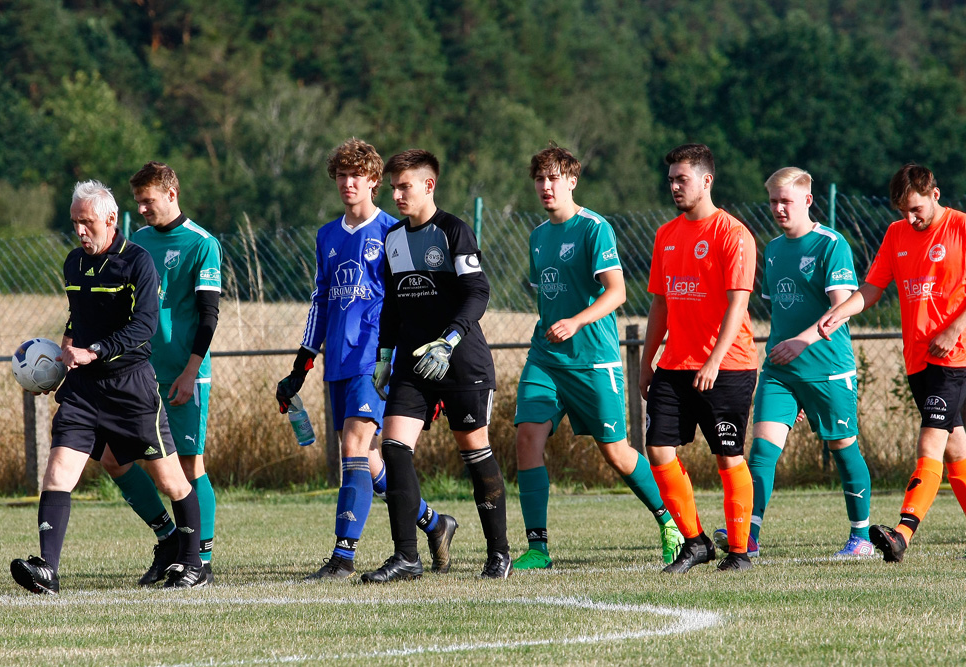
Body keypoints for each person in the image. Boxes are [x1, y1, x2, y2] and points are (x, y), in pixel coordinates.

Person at [10, 180, 207, 593]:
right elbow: (76, 319)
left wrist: (94, 350)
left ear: (111, 220)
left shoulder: (137, 262)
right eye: (75, 223)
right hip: (83, 389)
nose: (81, 230)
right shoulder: (72, 264)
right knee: (59, 471)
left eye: (88, 222)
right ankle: (47, 569)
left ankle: (192, 562)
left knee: (171, 480)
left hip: (130, 388)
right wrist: (58, 362)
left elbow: (144, 327)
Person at [275, 138, 457, 580]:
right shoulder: (327, 235)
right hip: (337, 359)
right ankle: (436, 523)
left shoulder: (394, 232)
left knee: (353, 451)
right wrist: (301, 366)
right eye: (341, 174)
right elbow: (321, 301)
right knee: (369, 459)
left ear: (375, 181)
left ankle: (343, 555)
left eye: (357, 175)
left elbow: (418, 300)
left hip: (377, 360)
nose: (348, 182)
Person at [511, 145, 683, 571]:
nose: (545, 187)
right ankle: (538, 548)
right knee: (526, 438)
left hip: (593, 360)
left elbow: (618, 293)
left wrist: (575, 321)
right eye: (539, 179)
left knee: (618, 454)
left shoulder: (594, 229)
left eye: (553, 178)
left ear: (572, 181)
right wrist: (558, 326)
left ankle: (672, 522)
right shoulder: (537, 237)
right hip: (547, 359)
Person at [362, 149, 510, 582]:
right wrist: (385, 356)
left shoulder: (452, 231)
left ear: (429, 185)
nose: (396, 194)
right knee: (393, 448)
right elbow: (391, 304)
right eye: (393, 187)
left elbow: (476, 291)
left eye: (404, 186)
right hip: (411, 362)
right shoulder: (392, 238)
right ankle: (406, 557)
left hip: (461, 359)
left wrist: (448, 340)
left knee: (474, 453)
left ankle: (498, 553)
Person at [713, 167, 874, 560]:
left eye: (785, 201)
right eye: (772, 201)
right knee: (762, 451)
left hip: (827, 369)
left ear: (807, 200)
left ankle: (861, 537)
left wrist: (803, 342)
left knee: (843, 447)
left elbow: (842, 309)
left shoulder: (830, 244)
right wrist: (793, 372)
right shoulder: (772, 249)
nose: (778, 209)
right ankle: (748, 535)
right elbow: (781, 312)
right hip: (781, 372)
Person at [819, 163, 966, 563]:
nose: (910, 218)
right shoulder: (896, 234)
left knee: (931, 440)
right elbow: (872, 287)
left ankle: (902, 534)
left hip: (955, 354)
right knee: (955, 446)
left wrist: (955, 328)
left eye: (917, 209)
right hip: (916, 358)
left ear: (935, 195)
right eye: (903, 210)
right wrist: (842, 312)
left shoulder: (965, 228)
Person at [94, 162, 222, 586]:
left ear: (172, 193)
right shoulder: (137, 244)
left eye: (148, 200)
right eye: (138, 202)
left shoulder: (203, 243)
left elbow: (208, 315)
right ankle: (168, 539)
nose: (143, 208)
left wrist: (190, 370)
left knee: (189, 466)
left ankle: (198, 560)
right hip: (137, 374)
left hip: (184, 375)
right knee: (114, 458)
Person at [640, 143, 759, 573]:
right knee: (658, 452)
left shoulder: (733, 234)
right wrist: (646, 361)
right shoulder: (666, 234)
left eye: (681, 179)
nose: (673, 186)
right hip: (674, 365)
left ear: (706, 180)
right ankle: (695, 541)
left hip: (727, 366)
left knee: (728, 457)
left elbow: (737, 305)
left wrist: (713, 360)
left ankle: (741, 552)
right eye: (670, 179)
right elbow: (659, 304)